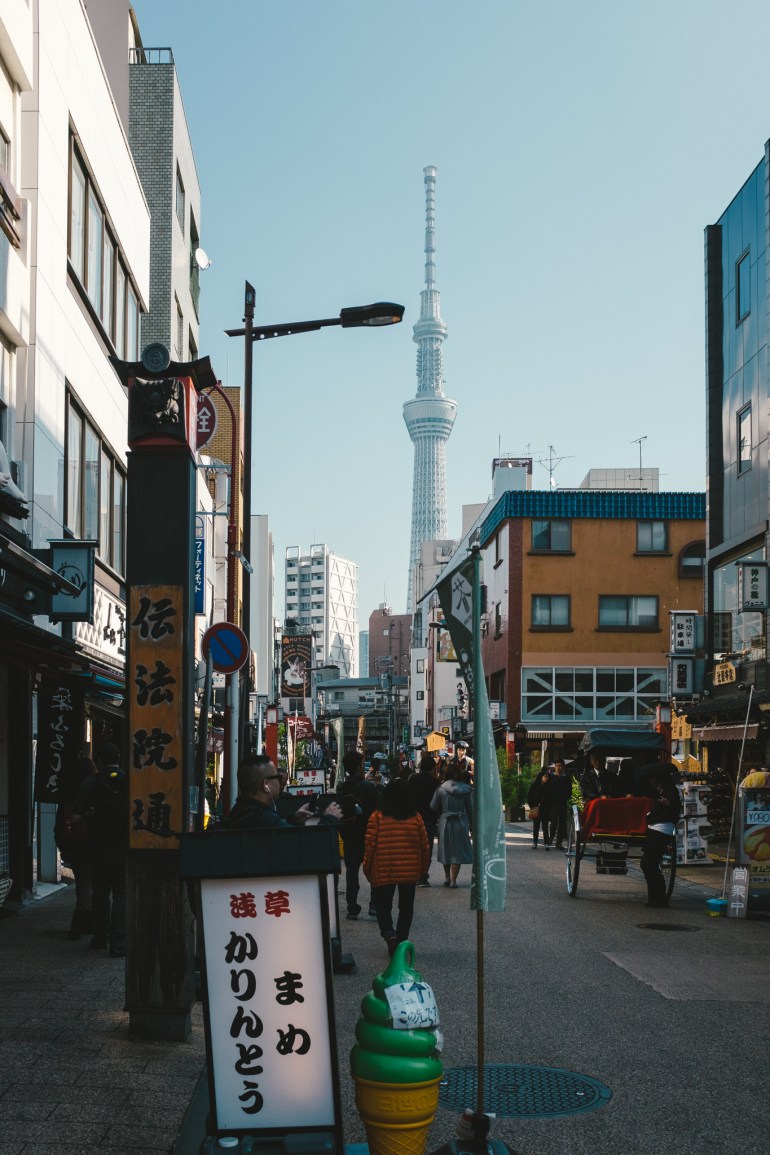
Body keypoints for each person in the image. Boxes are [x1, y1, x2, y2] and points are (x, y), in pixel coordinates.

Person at [363, 778, 429, 956]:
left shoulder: (377, 816)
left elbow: (369, 845)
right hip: (409, 870)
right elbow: (424, 846)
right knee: (406, 908)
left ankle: (389, 933)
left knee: (383, 905)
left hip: (384, 869)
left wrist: (367, 868)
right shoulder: (415, 817)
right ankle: (401, 941)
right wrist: (422, 869)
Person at [78, 742, 128, 957]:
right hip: (122, 847)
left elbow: (76, 815)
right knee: (121, 894)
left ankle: (100, 937)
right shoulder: (129, 780)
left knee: (100, 892)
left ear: (98, 760)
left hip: (97, 847)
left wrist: (91, 816)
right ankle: (118, 943)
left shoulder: (90, 783)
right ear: (119, 757)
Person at [223, 754, 342, 830]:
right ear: (266, 785)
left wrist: (293, 820)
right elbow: (303, 846)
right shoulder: (264, 818)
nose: (280, 784)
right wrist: (329, 819)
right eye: (278, 778)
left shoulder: (239, 812)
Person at [55, 755, 96, 940]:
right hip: (90, 844)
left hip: (72, 844)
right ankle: (81, 922)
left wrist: (62, 846)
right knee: (89, 884)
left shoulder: (67, 792)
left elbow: (59, 824)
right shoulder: (92, 789)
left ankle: (83, 921)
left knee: (83, 882)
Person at [336, 750, 380, 919]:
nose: (363, 767)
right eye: (362, 764)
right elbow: (378, 807)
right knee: (373, 870)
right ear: (357, 766)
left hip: (349, 833)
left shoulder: (342, 787)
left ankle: (352, 907)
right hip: (368, 833)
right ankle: (374, 905)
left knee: (352, 871)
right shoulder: (368, 787)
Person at [636, 754, 682, 908]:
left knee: (648, 863)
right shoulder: (661, 789)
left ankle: (660, 897)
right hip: (656, 828)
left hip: (661, 829)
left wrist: (666, 803)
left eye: (652, 777)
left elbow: (674, 808)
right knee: (648, 863)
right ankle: (654, 898)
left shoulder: (670, 790)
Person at [430, 761, 473, 886]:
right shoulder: (466, 789)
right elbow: (470, 810)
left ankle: (447, 877)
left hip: (445, 821)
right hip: (461, 822)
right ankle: (454, 880)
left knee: (446, 849)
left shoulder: (441, 788)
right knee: (457, 851)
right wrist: (472, 826)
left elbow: (433, 806)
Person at [408, 752, 440, 885]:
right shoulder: (435, 782)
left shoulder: (412, 779)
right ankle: (423, 876)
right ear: (433, 768)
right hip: (428, 819)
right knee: (426, 848)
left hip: (413, 818)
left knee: (414, 847)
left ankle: (414, 874)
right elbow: (437, 803)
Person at [528, 768, 555, 849]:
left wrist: (550, 809)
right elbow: (529, 797)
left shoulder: (549, 787)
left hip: (546, 810)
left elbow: (552, 799)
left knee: (545, 827)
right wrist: (532, 806)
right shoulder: (534, 785)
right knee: (536, 826)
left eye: (548, 777)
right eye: (545, 777)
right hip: (536, 809)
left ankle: (546, 843)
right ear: (541, 777)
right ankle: (535, 842)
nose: (547, 778)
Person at [549, 758, 571, 850]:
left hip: (562, 804)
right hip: (553, 804)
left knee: (562, 824)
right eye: (557, 766)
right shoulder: (551, 777)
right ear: (555, 767)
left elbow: (569, 791)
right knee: (553, 823)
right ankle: (550, 839)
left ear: (563, 767)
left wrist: (565, 797)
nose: (559, 768)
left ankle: (559, 842)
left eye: (560, 766)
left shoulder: (566, 778)